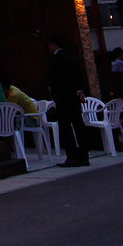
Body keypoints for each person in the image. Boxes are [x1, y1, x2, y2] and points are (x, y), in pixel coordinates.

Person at [47, 33, 90, 167]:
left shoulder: (57, 59)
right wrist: (79, 90)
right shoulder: (71, 57)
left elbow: (55, 79)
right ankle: (84, 155)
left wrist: (53, 92)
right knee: (78, 124)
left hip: (63, 97)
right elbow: (78, 75)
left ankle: (72, 156)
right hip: (74, 96)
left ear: (53, 44)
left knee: (65, 127)